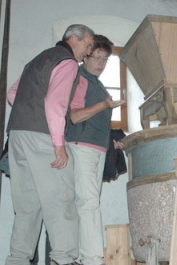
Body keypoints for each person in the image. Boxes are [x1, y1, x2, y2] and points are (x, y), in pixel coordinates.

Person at [5, 24, 95, 265]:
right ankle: (64, 260)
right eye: (87, 45)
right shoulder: (66, 62)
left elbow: (13, 94)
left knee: (27, 205)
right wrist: (58, 144)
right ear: (73, 39)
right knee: (61, 200)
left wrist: (30, 113)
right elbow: (55, 105)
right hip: (43, 136)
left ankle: (17, 260)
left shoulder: (37, 60)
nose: (88, 52)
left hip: (17, 134)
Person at [66, 34, 126, 265]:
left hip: (96, 148)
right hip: (82, 147)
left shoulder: (97, 83)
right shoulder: (80, 78)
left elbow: (95, 121)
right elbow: (74, 115)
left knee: (88, 201)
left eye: (105, 59)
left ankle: (84, 256)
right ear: (86, 56)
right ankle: (92, 259)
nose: (100, 63)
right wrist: (105, 104)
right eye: (96, 57)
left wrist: (112, 140)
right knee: (88, 202)